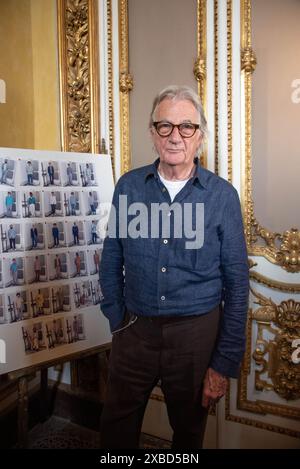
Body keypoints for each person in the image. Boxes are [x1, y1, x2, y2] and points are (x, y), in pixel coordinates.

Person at [99, 85, 249, 449]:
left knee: (188, 434)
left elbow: (238, 283)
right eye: (164, 126)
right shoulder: (129, 187)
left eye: (186, 127)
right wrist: (117, 318)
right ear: (152, 133)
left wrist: (223, 362)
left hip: (195, 338)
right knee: (116, 432)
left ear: (200, 137)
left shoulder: (222, 196)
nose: (175, 136)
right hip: (133, 331)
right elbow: (111, 257)